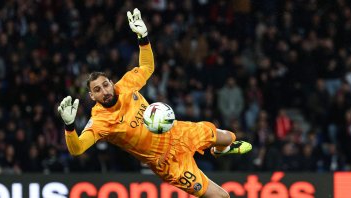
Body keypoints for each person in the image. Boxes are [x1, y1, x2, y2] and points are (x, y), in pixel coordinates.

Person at [58, 8, 252, 198]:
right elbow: (77, 149)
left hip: (179, 132)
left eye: (105, 84)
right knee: (222, 196)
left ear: (111, 82)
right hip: (168, 163)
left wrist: (143, 37)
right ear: (92, 97)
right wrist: (69, 126)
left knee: (229, 136)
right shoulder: (101, 121)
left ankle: (219, 151)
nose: (105, 91)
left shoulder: (124, 86)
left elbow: (147, 66)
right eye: (97, 90)